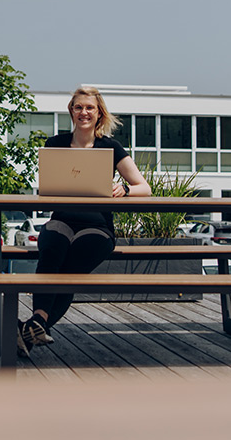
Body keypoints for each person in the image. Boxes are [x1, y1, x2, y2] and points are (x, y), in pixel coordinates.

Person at [18, 86, 151, 357]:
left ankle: (32, 327)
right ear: (71, 111)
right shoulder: (55, 144)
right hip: (62, 220)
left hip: (97, 227)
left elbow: (144, 188)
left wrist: (125, 190)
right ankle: (37, 326)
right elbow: (47, 188)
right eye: (78, 107)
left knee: (69, 270)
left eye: (89, 107)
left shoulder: (110, 147)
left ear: (99, 113)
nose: (84, 112)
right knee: (52, 246)